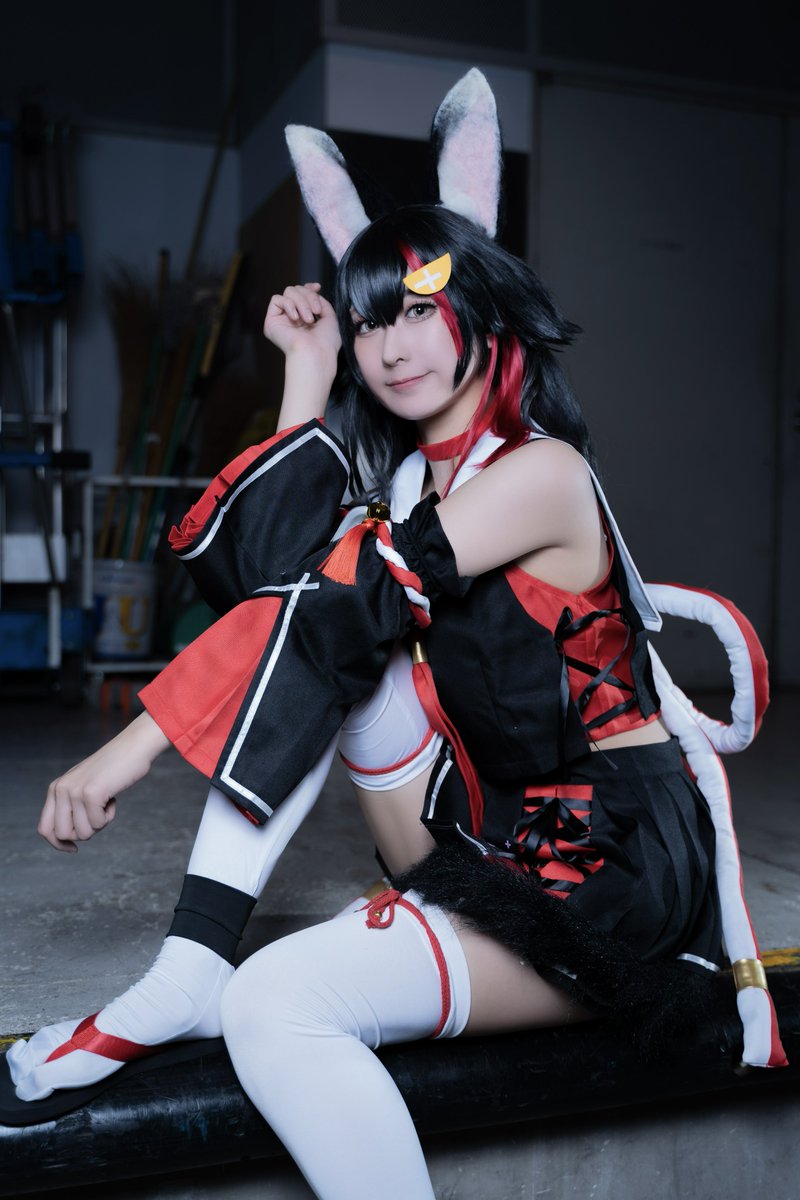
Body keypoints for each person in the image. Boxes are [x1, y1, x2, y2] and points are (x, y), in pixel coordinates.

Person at [4, 69, 784, 1197]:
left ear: (483, 306)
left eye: (416, 308)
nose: (387, 343)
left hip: (606, 859)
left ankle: (200, 975)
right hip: (481, 831)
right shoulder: (414, 484)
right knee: (334, 617)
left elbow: (340, 602)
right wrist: (307, 373)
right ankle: (190, 963)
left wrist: (130, 747)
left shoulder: (542, 476)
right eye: (370, 319)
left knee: (281, 1002)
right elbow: (275, 586)